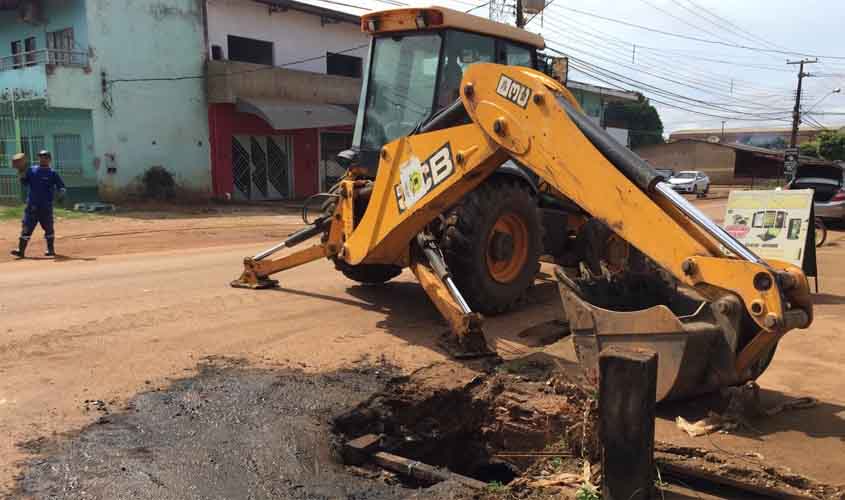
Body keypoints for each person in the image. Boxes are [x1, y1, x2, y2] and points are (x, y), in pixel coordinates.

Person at [10, 150, 66, 258]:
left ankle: (50, 250)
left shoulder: (52, 173)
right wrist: (20, 171)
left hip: (46, 207)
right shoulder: (31, 170)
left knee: (49, 229)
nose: (42, 158)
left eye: (45, 157)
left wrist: (61, 195)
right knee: (26, 228)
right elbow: (25, 182)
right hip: (32, 206)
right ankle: (20, 251)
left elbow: (61, 187)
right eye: (40, 156)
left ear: (49, 159)